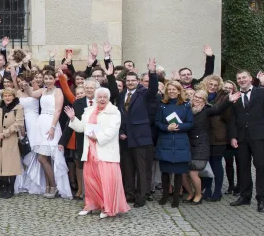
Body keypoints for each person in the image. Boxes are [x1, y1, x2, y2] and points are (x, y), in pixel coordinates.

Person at [65, 87, 129, 219]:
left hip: (105, 151)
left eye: (105, 97)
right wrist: (72, 119)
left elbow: (113, 130)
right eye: (99, 97)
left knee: (106, 181)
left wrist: (98, 137)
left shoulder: (114, 111)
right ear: (95, 98)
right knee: (91, 180)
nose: (102, 99)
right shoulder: (89, 111)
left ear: (108, 98)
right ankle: (91, 205)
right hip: (90, 150)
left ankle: (107, 207)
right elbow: (82, 127)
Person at [228, 65, 264, 213]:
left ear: (250, 79)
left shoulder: (261, 92)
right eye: (239, 78)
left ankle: (261, 199)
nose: (241, 80)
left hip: (258, 136)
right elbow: (233, 118)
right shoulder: (235, 96)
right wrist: (233, 136)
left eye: (244, 77)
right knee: (243, 167)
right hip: (241, 138)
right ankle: (245, 196)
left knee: (260, 166)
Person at [118, 59, 158, 208]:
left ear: (138, 81)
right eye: (128, 80)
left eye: (133, 80)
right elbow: (121, 116)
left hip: (141, 138)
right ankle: (129, 194)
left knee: (141, 169)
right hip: (125, 138)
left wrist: (152, 72)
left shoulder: (144, 93)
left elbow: (153, 89)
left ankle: (141, 197)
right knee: (127, 168)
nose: (130, 83)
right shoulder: (122, 95)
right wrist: (121, 131)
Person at [185, 88, 236, 204]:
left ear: (204, 100)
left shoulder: (206, 110)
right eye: (196, 97)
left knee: (193, 172)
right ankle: (191, 193)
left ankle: (199, 194)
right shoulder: (186, 108)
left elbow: (218, 109)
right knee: (184, 173)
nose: (197, 99)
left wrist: (229, 100)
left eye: (201, 98)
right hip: (187, 144)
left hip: (200, 145)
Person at [29, 67, 71, 199]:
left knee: (46, 158)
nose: (47, 81)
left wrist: (53, 127)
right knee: (43, 158)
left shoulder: (58, 91)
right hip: (41, 123)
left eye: (50, 78)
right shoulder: (43, 90)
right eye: (45, 78)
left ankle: (54, 186)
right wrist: (28, 80)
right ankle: (48, 185)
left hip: (51, 123)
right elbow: (31, 94)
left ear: (55, 79)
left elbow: (58, 110)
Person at [155, 81, 194, 208]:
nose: (171, 91)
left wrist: (178, 126)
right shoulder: (162, 105)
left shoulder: (186, 105)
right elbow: (157, 122)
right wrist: (167, 128)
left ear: (179, 91)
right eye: (169, 89)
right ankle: (165, 195)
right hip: (165, 140)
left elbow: (190, 123)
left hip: (180, 141)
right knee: (165, 172)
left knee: (179, 172)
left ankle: (176, 196)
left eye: (174, 89)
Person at [0, 88, 25, 199]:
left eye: (9, 95)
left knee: (10, 165)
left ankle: (11, 188)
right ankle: (5, 187)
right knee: (1, 164)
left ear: (13, 96)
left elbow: (19, 123)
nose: (7, 97)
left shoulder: (18, 108)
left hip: (11, 139)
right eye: (5, 95)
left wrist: (6, 133)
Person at [16, 72, 47, 196]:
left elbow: (33, 93)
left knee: (33, 149)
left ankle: (35, 182)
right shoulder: (18, 93)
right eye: (20, 82)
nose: (22, 83)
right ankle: (23, 182)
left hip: (34, 121)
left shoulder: (36, 90)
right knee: (22, 149)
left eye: (24, 81)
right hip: (21, 121)